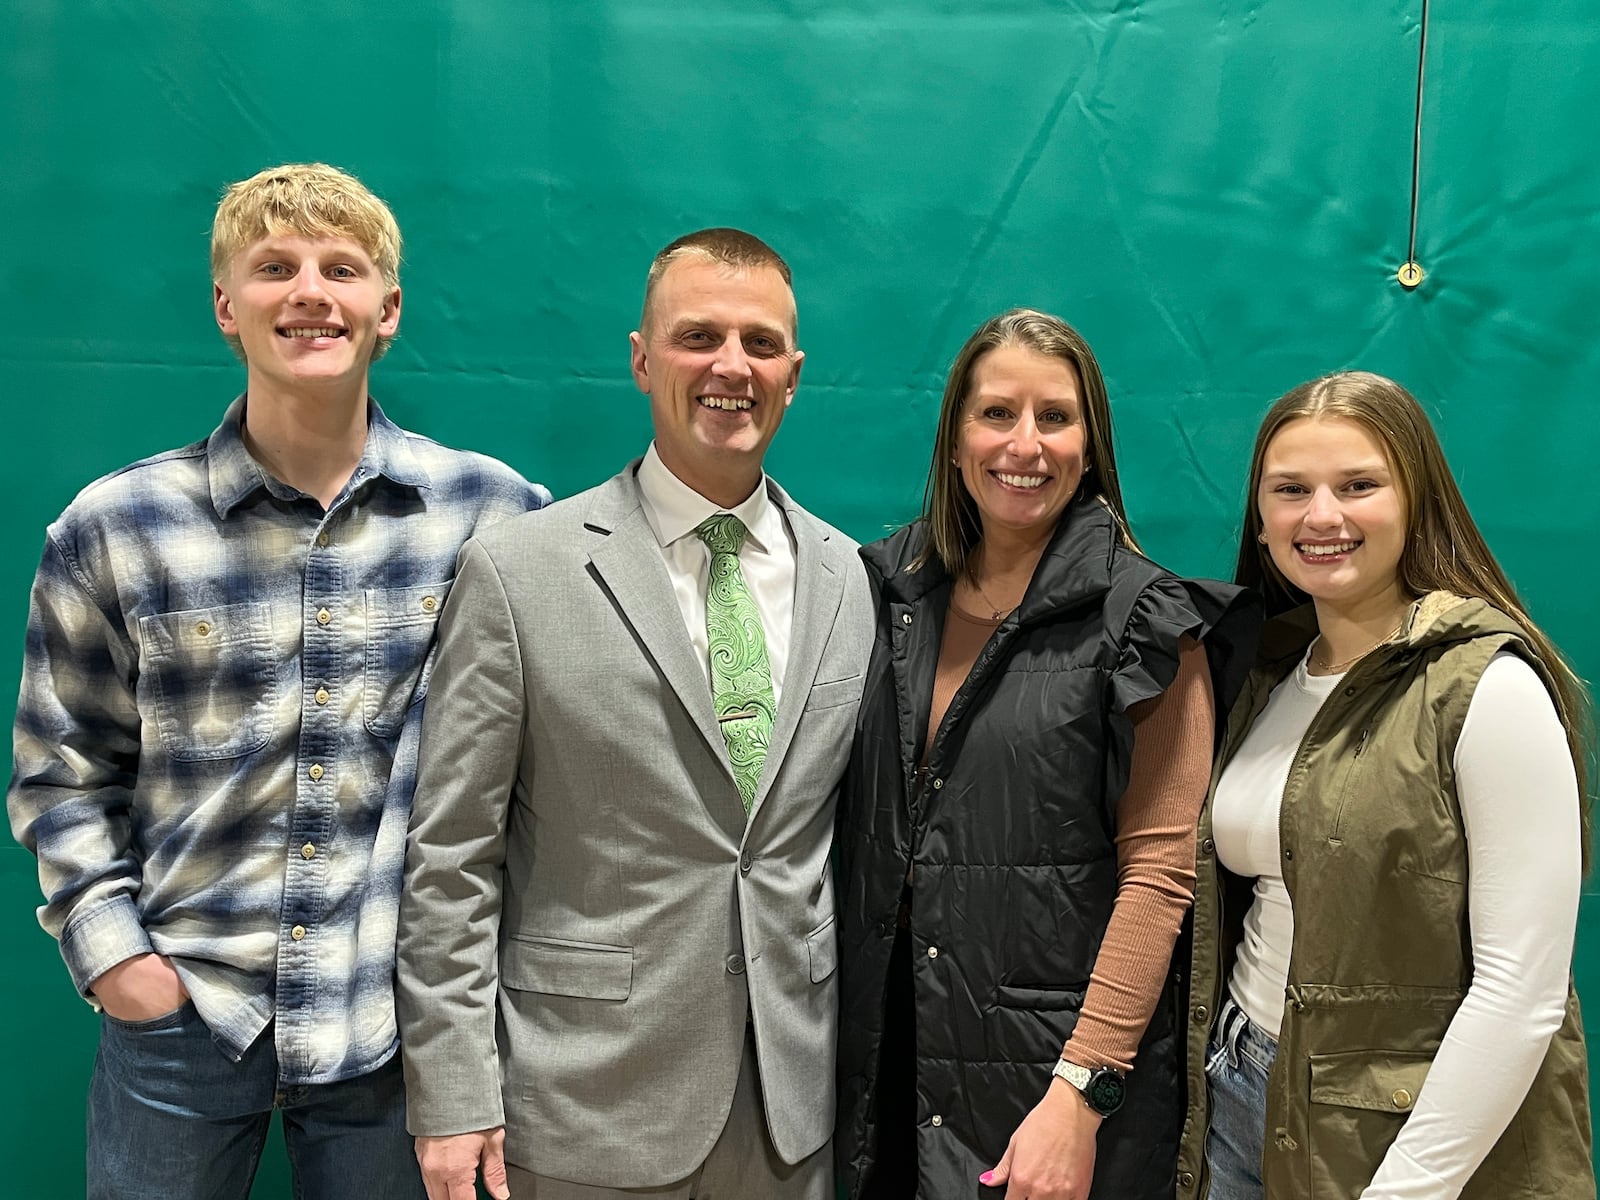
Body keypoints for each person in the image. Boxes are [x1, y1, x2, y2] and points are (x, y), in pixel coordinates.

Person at [5, 162, 550, 1200]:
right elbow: (61, 773)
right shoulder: (115, 526)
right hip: (182, 1024)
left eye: (341, 269)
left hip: (392, 1031)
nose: (309, 291)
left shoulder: (496, 515)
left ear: (386, 310)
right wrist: (122, 964)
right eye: (274, 267)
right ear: (225, 306)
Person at [394, 227, 875, 1200]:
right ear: (642, 359)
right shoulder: (520, 572)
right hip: (579, 1108)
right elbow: (452, 858)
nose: (730, 366)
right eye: (698, 336)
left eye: (760, 343)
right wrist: (450, 1096)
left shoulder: (851, 578)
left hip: (790, 1112)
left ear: (794, 372)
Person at [834, 308, 1256, 1199]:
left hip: (1050, 1081)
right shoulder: (878, 593)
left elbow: (1160, 876)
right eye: (996, 414)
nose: (1024, 444)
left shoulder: (1149, 624)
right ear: (954, 440)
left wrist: (1082, 1092)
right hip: (879, 1060)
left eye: (1055, 417)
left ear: (1090, 445)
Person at [1174, 371, 1595, 1200]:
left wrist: (1408, 1189)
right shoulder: (1266, 675)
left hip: (1406, 1138)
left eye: (1358, 485)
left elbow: (1523, 990)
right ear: (1261, 523)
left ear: (1415, 500)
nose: (1321, 516)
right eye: (1291, 490)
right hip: (1242, 1089)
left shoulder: (1487, 687)